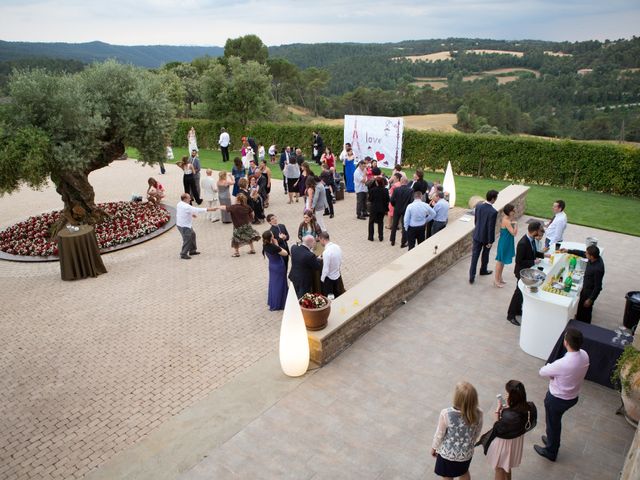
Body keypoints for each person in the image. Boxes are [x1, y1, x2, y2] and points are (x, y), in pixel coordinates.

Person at [535, 327, 589, 462]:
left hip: (557, 399)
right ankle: (551, 440)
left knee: (553, 424)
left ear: (566, 343)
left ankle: (551, 451)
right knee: (553, 422)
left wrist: (554, 377)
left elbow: (542, 371)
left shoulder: (563, 363)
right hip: (572, 396)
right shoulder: (584, 355)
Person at [480, 380, 537, 480]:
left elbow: (497, 428)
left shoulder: (509, 416)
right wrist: (510, 408)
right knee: (507, 466)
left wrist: (498, 411)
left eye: (508, 393)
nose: (506, 396)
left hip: (504, 445)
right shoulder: (530, 407)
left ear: (514, 397)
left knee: (499, 468)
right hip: (515, 443)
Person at [431, 382, 483, 480]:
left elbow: (439, 434)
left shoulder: (446, 413)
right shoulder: (479, 413)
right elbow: (477, 433)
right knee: (464, 472)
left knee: (447, 476)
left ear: (457, 398)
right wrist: (469, 444)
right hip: (466, 453)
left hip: (448, 454)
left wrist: (434, 447)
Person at [506, 222, 545, 326]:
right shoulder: (523, 243)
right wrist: (533, 262)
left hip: (527, 271)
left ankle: (518, 310)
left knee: (521, 292)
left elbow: (533, 252)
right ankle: (511, 315)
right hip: (521, 272)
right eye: (539, 230)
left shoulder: (531, 240)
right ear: (534, 231)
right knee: (518, 293)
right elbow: (519, 261)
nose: (540, 232)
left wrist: (544, 255)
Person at [563, 245, 605, 323]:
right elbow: (581, 253)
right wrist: (568, 250)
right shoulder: (593, 258)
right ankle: (579, 321)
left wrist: (590, 299)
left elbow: (598, 287)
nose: (585, 254)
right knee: (580, 310)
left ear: (591, 256)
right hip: (585, 287)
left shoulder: (598, 269)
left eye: (587, 254)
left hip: (589, 293)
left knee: (585, 312)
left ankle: (584, 326)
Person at [469, 190, 499, 284]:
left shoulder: (478, 206)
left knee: (475, 256)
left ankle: (471, 276)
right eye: (496, 198)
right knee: (485, 255)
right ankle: (483, 270)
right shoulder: (493, 212)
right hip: (486, 238)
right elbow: (491, 228)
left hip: (477, 235)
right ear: (493, 199)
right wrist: (490, 241)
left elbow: (476, 221)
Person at [175, 193, 216, 259]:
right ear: (185, 199)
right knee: (187, 239)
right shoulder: (187, 206)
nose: (190, 199)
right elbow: (198, 210)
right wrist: (210, 209)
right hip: (184, 226)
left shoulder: (179, 204)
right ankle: (183, 253)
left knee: (192, 234)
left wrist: (191, 214)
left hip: (181, 224)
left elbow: (185, 211)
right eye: (189, 198)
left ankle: (192, 250)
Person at [262, 230, 289, 311]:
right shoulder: (274, 247)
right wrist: (277, 244)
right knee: (280, 284)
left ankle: (273, 301)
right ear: (271, 237)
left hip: (272, 266)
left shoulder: (265, 245)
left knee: (273, 284)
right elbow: (285, 253)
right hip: (279, 267)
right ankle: (280, 303)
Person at [494, 204, 518, 288]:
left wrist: (513, 222)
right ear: (509, 211)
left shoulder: (508, 219)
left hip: (507, 242)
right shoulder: (506, 221)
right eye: (513, 211)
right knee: (500, 262)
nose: (514, 212)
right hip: (504, 243)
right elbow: (514, 233)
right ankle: (496, 281)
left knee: (502, 261)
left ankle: (500, 278)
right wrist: (516, 225)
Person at [389, 176, 414, 248]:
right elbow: (411, 201)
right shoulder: (410, 190)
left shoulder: (396, 189)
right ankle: (403, 243)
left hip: (397, 209)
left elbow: (392, 200)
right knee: (404, 226)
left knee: (394, 225)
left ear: (401, 181)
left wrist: (395, 206)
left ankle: (392, 240)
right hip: (405, 210)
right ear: (407, 182)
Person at [318, 232, 343, 298]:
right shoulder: (337, 246)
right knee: (337, 293)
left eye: (320, 240)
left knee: (330, 297)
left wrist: (322, 279)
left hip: (329, 279)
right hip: (337, 275)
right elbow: (340, 260)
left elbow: (325, 269)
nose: (320, 243)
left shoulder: (326, 252)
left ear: (323, 239)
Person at [368, 177, 390, 242]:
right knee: (380, 222)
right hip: (382, 209)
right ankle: (381, 237)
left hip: (374, 208)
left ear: (377, 183)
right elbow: (387, 199)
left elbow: (370, 199)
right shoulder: (385, 190)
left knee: (371, 222)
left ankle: (370, 237)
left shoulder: (372, 190)